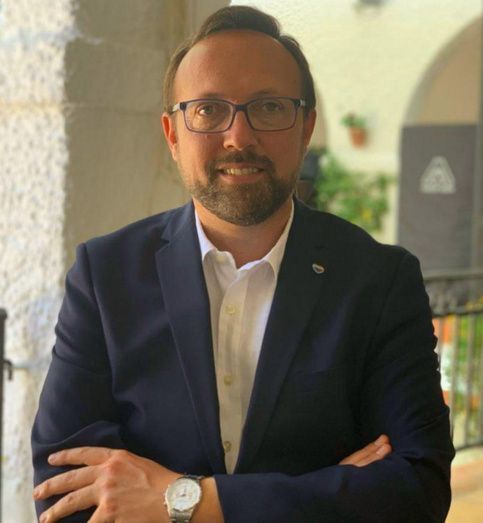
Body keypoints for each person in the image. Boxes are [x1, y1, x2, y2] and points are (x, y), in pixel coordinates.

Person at [32, 5, 454, 522]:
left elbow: (417, 490)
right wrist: (326, 493)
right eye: (208, 110)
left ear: (305, 128)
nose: (239, 137)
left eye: (269, 107)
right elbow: (64, 497)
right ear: (172, 134)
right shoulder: (105, 275)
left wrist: (185, 501)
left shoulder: (379, 281)